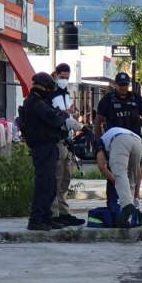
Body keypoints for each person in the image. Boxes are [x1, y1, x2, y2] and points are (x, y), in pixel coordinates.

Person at [95, 72, 142, 219]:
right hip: (115, 143)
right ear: (115, 85)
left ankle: (134, 207)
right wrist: (97, 142)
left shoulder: (136, 99)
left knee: (135, 175)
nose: (123, 88)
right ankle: (114, 206)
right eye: (120, 85)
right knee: (116, 174)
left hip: (134, 141)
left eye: (126, 85)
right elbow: (98, 121)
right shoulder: (107, 100)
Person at [21, 72, 74, 231]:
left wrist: (60, 115)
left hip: (48, 147)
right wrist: (63, 114)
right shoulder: (36, 103)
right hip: (42, 148)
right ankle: (36, 220)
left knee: (50, 185)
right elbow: (55, 119)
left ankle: (46, 218)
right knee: (44, 185)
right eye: (49, 88)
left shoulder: (40, 102)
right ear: (43, 87)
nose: (51, 92)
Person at [49, 63, 84, 227]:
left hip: (66, 141)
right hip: (57, 140)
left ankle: (64, 212)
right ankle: (55, 213)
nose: (64, 80)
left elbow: (68, 115)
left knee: (65, 179)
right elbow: (61, 117)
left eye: (67, 78)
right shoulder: (52, 94)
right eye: (62, 77)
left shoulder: (65, 94)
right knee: (57, 179)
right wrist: (81, 127)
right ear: (55, 75)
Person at [94, 127, 142, 226]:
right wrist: (136, 195)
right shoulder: (116, 132)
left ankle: (127, 207)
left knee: (120, 173)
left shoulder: (101, 141)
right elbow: (138, 173)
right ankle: (131, 215)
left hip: (120, 141)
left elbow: (102, 167)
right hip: (138, 141)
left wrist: (115, 181)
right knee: (131, 177)